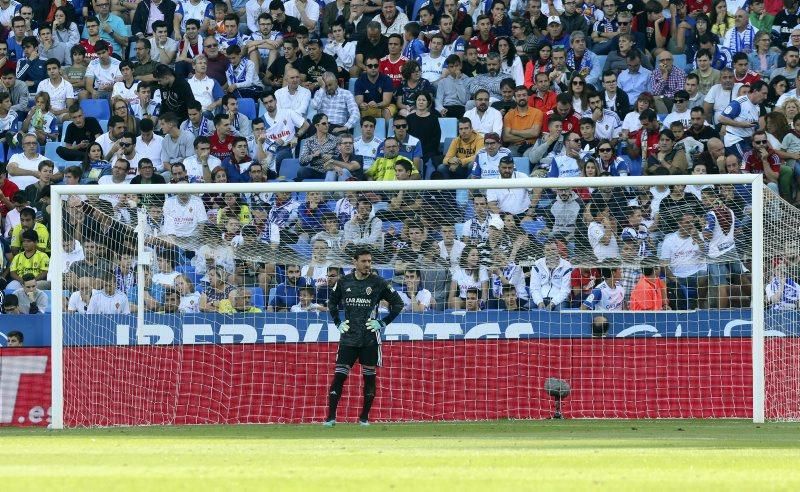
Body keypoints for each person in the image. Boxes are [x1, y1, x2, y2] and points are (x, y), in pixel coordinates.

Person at [323, 247, 404, 426]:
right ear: (355, 262)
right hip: (349, 338)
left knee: (369, 377)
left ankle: (364, 418)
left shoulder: (379, 282)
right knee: (339, 376)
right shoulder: (344, 282)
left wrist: (383, 323)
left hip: (370, 338)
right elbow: (332, 302)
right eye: (364, 261)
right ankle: (330, 418)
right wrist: (337, 322)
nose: (368, 264)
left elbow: (398, 304)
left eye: (369, 261)